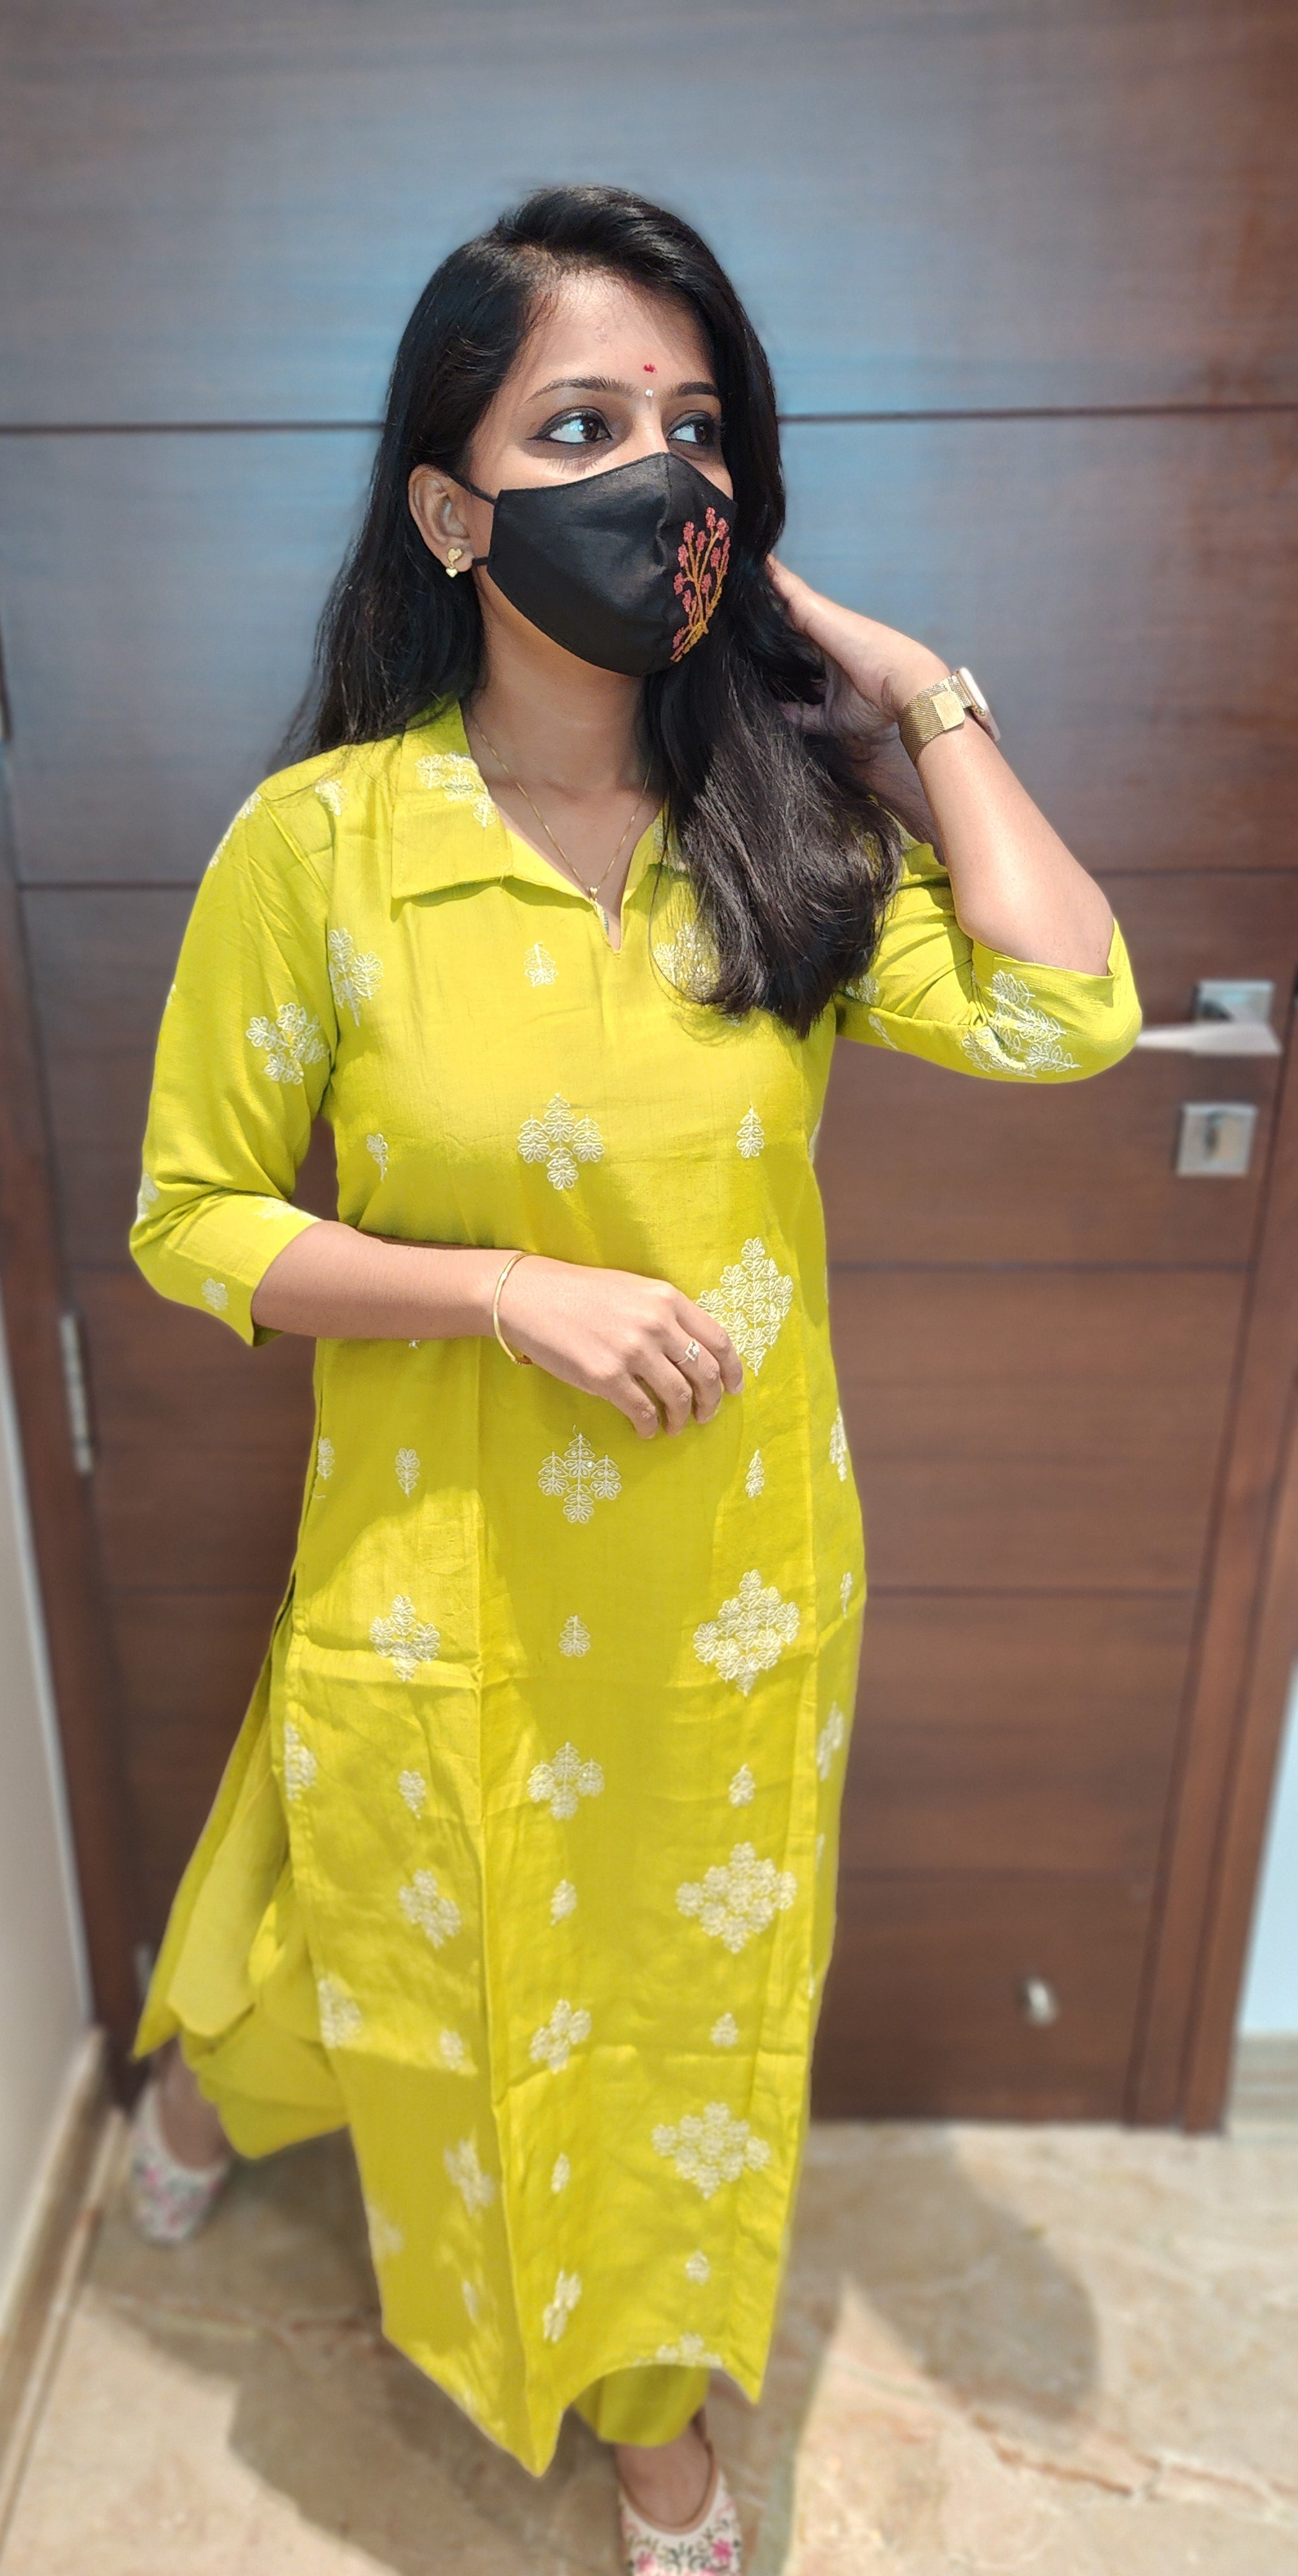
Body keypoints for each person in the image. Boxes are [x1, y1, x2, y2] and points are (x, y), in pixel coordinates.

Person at [125, 184, 1140, 2572]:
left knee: (673, 2017)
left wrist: (916, 695)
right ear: (450, 509)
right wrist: (499, 1292)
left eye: (693, 428)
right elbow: (194, 1220)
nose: (654, 476)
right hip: (448, 1572)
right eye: (578, 427)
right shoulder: (324, 849)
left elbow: (1066, 1013)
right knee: (402, 1951)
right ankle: (224, 2104)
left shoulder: (780, 834)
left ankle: (655, 2407)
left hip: (725, 1594)